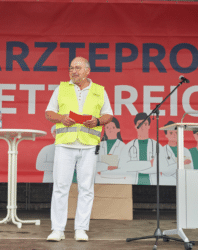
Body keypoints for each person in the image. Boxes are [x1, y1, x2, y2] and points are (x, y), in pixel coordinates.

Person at [45, 57, 113, 242]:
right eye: (71, 68)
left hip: (89, 144)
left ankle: (81, 229)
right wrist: (61, 118)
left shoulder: (99, 90)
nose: (73, 71)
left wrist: (97, 121)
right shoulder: (61, 88)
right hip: (65, 144)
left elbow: (108, 114)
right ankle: (57, 229)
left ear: (87, 71)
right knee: (60, 187)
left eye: (78, 68)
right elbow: (49, 113)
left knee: (86, 188)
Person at [101, 112, 164, 185]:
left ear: (149, 126)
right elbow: (124, 167)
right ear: (135, 126)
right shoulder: (128, 147)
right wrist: (149, 164)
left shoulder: (157, 146)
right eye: (140, 124)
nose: (142, 126)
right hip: (133, 184)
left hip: (154, 184)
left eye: (145, 124)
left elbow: (161, 167)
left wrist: (134, 166)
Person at [160, 121, 193, 186]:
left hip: (183, 183)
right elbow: (165, 171)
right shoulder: (162, 151)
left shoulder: (185, 151)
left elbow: (190, 169)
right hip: (167, 184)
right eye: (171, 133)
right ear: (166, 135)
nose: (174, 135)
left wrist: (173, 165)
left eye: (176, 133)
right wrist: (182, 163)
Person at [95, 117, 126, 183]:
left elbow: (123, 168)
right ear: (104, 129)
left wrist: (102, 170)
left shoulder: (123, 146)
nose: (110, 130)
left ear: (118, 129)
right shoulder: (99, 145)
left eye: (113, 127)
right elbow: (95, 165)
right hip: (99, 182)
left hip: (118, 182)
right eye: (107, 127)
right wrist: (108, 167)